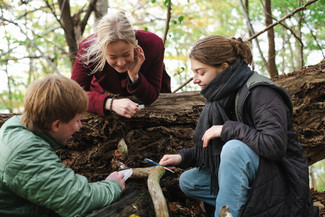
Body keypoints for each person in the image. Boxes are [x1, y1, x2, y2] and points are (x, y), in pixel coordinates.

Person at [159, 35, 318, 217]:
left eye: (201, 72)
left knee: (233, 148)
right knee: (190, 181)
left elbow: (274, 145)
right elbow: (213, 150)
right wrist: (182, 157)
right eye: (194, 73)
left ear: (224, 67)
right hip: (256, 177)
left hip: (281, 180)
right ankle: (246, 207)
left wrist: (228, 129)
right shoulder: (221, 97)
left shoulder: (261, 92)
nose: (195, 79)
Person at [0, 75, 125, 217]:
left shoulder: (16, 124)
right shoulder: (24, 152)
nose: (80, 126)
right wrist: (111, 186)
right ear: (56, 124)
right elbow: (74, 201)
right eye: (77, 120)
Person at [71, 9, 171, 118]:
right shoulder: (88, 50)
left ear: (134, 43)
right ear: (101, 50)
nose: (121, 63)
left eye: (126, 54)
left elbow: (152, 96)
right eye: (113, 57)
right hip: (102, 95)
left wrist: (134, 77)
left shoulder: (153, 44)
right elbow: (74, 94)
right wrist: (110, 103)